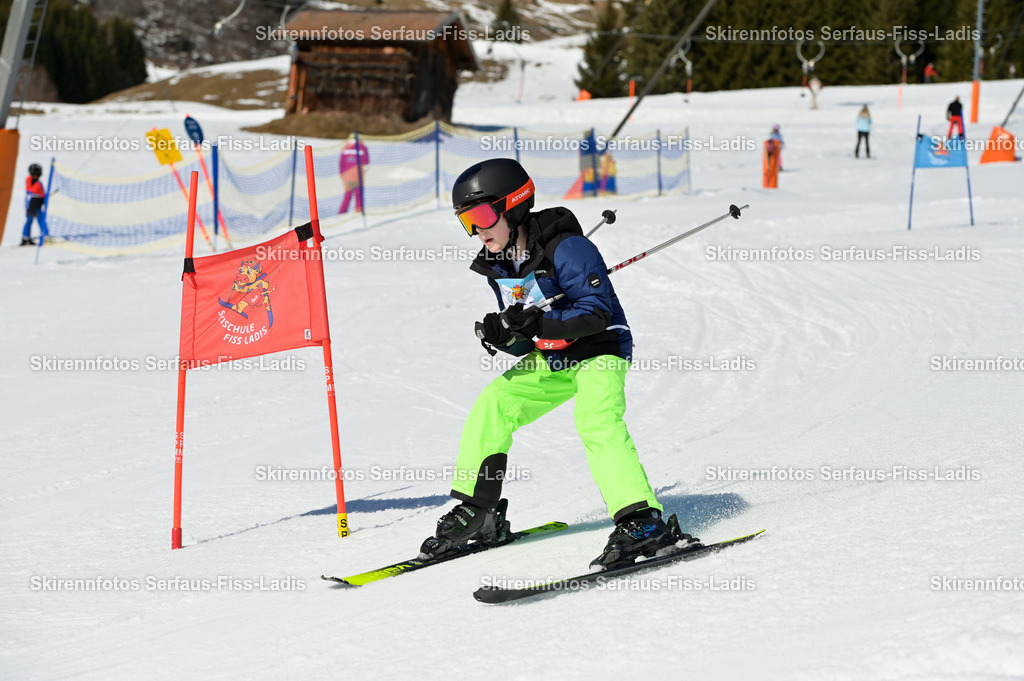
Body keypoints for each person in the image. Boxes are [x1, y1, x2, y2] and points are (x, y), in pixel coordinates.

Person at [419, 158, 695, 568]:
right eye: (467, 222)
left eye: (481, 216)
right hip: (552, 357)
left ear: (513, 204)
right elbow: (523, 337)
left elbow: (598, 310)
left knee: (595, 419)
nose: (477, 230)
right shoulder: (498, 265)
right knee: (495, 403)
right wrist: (507, 336)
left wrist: (541, 320)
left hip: (599, 349)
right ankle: (479, 513)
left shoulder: (569, 248)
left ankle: (642, 519)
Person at [338, 138, 369, 214]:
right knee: (358, 195)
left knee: (347, 196)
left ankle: (342, 213)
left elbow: (341, 164)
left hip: (347, 176)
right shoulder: (363, 148)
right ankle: (359, 212)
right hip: (358, 176)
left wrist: (342, 174)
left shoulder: (345, 148)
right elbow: (366, 162)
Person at [22, 163, 49, 246]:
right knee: (39, 221)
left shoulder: (30, 181)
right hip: (33, 206)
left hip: (31, 206)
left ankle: (27, 237)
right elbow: (40, 193)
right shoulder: (34, 183)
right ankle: (27, 238)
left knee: (33, 221)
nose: (35, 176)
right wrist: (44, 198)